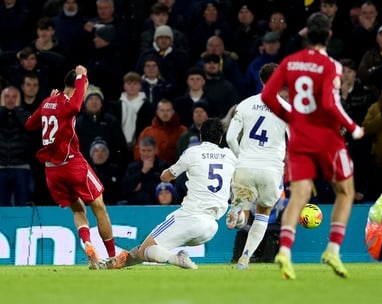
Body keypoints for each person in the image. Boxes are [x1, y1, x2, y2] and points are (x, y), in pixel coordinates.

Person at [261, 12, 365, 280]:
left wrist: (289, 116)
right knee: (346, 191)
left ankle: (284, 250)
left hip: (299, 137)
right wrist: (353, 127)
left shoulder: (289, 62)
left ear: (305, 34)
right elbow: (330, 105)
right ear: (329, 35)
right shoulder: (331, 66)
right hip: (327, 139)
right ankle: (332, 249)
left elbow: (267, 95)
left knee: (299, 195)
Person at [24, 65, 118, 269]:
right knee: (99, 206)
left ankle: (88, 245)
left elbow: (29, 125)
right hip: (72, 165)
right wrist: (82, 76)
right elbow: (75, 107)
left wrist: (47, 104)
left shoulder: (49, 101)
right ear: (76, 86)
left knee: (77, 209)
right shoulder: (69, 103)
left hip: (51, 171)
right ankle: (112, 257)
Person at [113, 118, 236, 269]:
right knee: (148, 249)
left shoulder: (193, 152)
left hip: (190, 217)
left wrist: (165, 174)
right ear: (220, 138)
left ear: (201, 136)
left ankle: (175, 258)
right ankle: (116, 264)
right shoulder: (230, 156)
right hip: (211, 226)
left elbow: (166, 177)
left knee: (146, 249)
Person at [225, 62, 288, 270]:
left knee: (244, 211)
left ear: (261, 81)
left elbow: (231, 137)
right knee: (263, 214)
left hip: (245, 166)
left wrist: (241, 156)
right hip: (271, 169)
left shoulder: (244, 104)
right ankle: (245, 259)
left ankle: (238, 213)